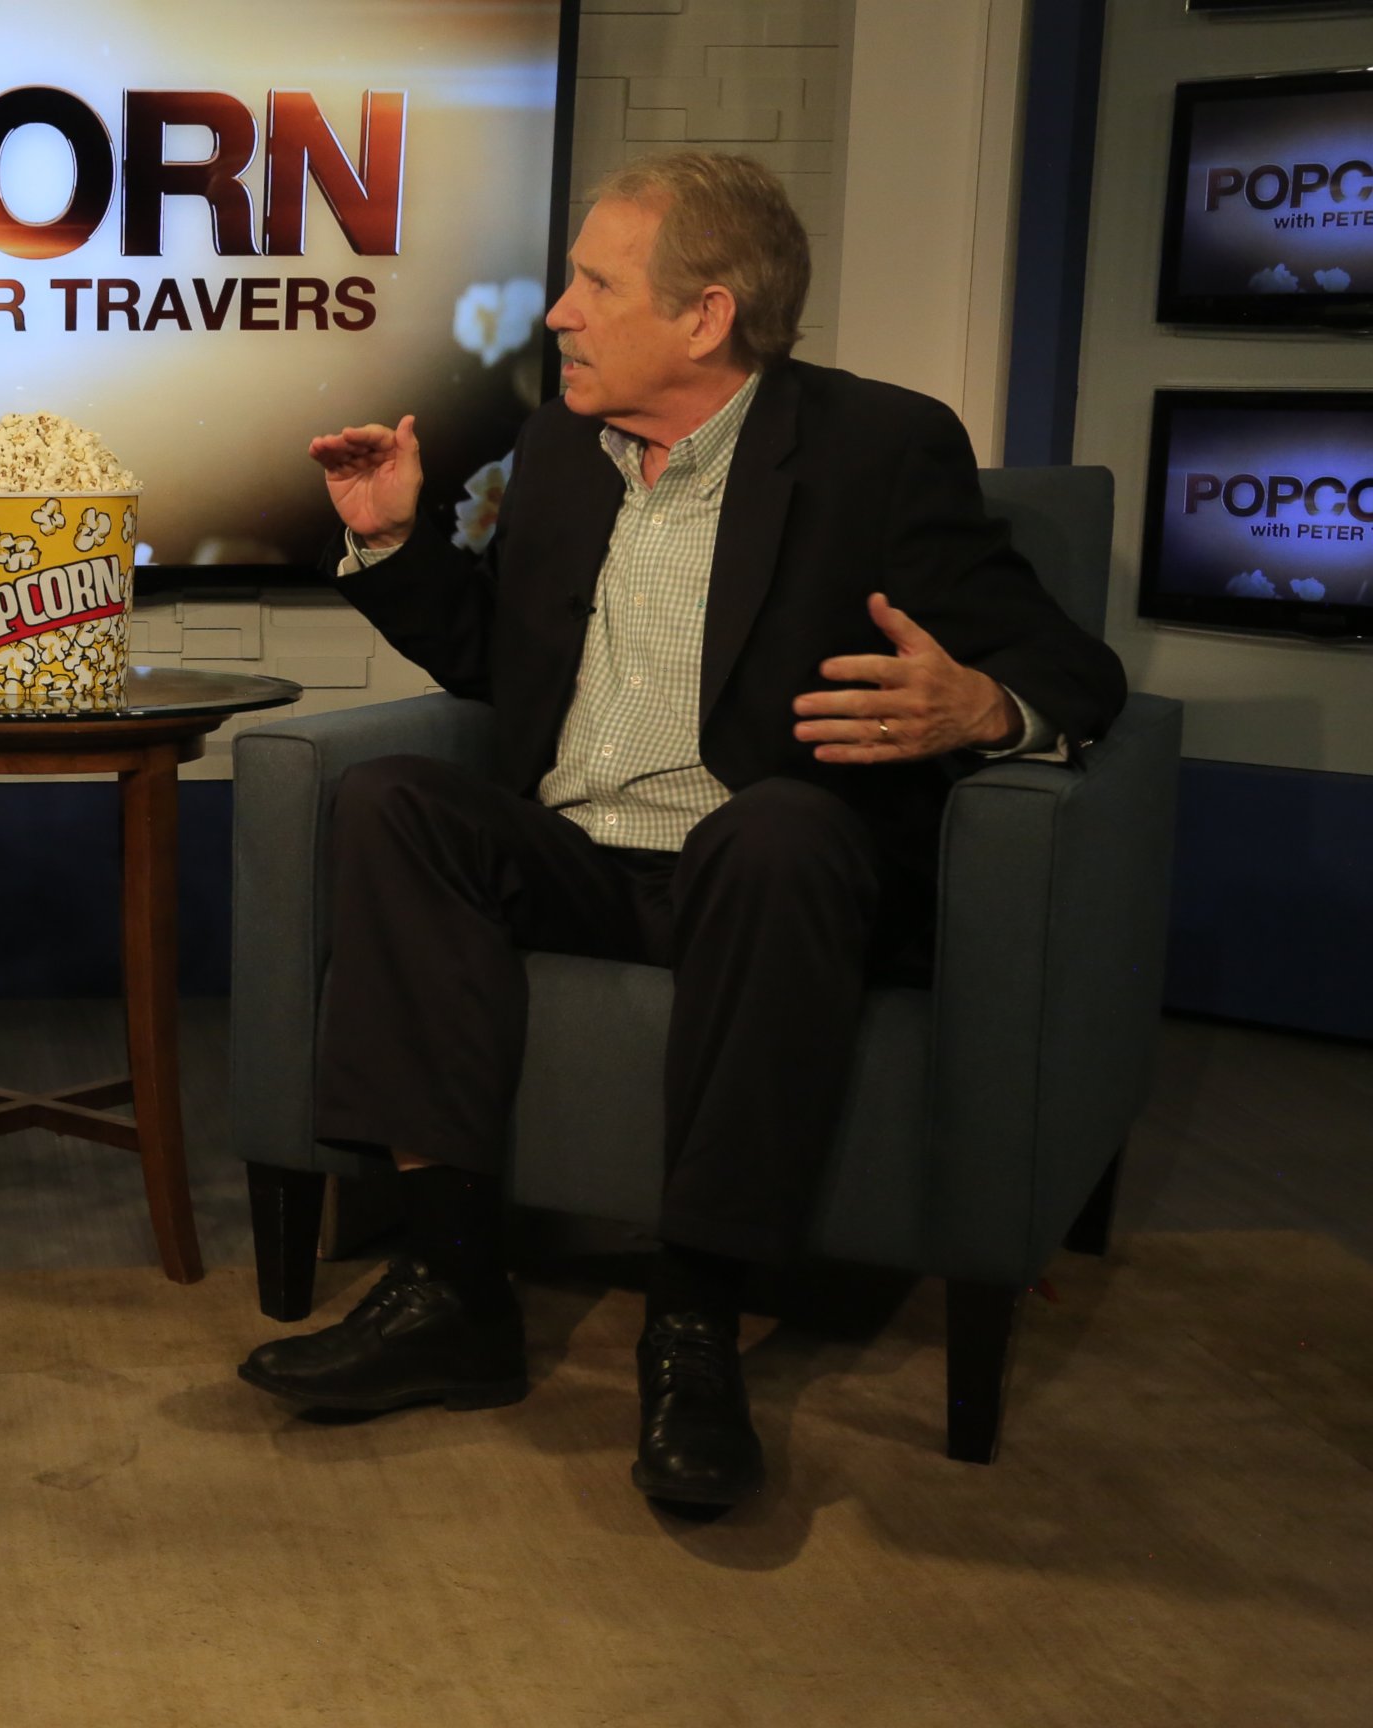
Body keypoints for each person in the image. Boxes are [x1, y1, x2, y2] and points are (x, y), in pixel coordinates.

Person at [240, 151, 1127, 1508]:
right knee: (393, 802)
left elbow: (1079, 674)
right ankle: (455, 1291)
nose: (560, 315)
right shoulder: (557, 449)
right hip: (581, 860)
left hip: (763, 876)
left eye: (595, 284)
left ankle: (695, 1323)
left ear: (706, 315)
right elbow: (502, 663)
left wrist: (981, 708)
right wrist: (392, 545)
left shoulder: (879, 451)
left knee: (777, 832)